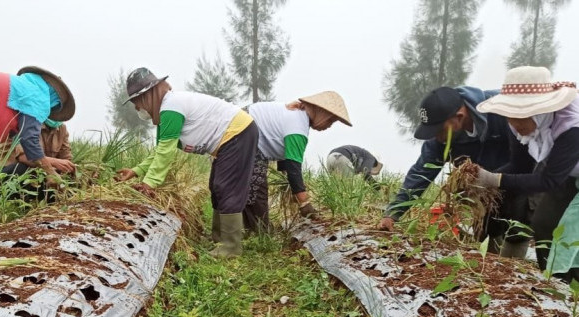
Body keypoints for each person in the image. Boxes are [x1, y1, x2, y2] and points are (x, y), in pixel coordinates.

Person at [115, 67, 258, 258]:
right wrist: (136, 171)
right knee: (216, 187)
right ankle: (219, 238)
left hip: (237, 133)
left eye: (137, 101)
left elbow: (165, 153)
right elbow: (161, 150)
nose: (137, 107)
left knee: (226, 187)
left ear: (148, 95)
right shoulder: (167, 110)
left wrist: (148, 184)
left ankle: (231, 247)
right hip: (229, 138)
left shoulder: (171, 108)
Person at [377, 86, 521, 254]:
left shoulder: (501, 111)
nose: (436, 136)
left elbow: (528, 158)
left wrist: (496, 178)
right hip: (485, 189)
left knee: (520, 221)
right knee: (486, 226)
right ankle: (493, 263)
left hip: (521, 175)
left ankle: (519, 269)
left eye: (438, 130)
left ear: (459, 117)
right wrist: (392, 214)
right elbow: (420, 173)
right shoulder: (439, 141)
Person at [473, 66, 579, 279]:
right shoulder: (516, 125)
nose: (515, 123)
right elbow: (519, 165)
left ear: (542, 110)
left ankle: (572, 290)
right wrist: (482, 179)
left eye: (523, 115)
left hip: (562, 173)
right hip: (568, 174)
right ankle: (553, 283)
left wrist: (494, 179)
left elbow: (549, 180)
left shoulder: (570, 126)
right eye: (511, 115)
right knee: (544, 223)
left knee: (572, 233)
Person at [243, 92, 351, 233]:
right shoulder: (298, 127)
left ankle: (245, 231)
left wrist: (290, 187)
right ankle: (260, 235)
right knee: (256, 190)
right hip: (244, 133)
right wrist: (305, 203)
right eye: (330, 121)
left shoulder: (297, 116)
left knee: (243, 188)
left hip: (245, 131)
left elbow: (286, 161)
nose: (329, 126)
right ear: (322, 113)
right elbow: (293, 168)